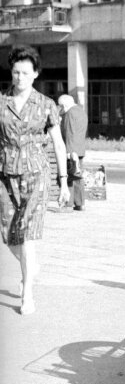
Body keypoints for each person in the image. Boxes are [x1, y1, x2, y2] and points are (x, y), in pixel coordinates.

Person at [0, 46, 70, 315]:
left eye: (25, 73)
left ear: (36, 74)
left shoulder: (46, 105)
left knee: (27, 237)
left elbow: (59, 145)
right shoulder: (1, 101)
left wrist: (63, 182)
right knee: (9, 236)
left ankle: (26, 292)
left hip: (36, 174)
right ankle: (31, 267)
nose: (19, 78)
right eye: (16, 72)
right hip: (5, 175)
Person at [58, 94, 88, 211]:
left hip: (71, 149)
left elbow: (69, 132)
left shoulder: (70, 113)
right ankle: (80, 203)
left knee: (68, 176)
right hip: (79, 148)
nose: (61, 109)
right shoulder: (81, 111)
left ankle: (68, 203)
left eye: (61, 106)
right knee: (78, 177)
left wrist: (69, 152)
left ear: (64, 104)